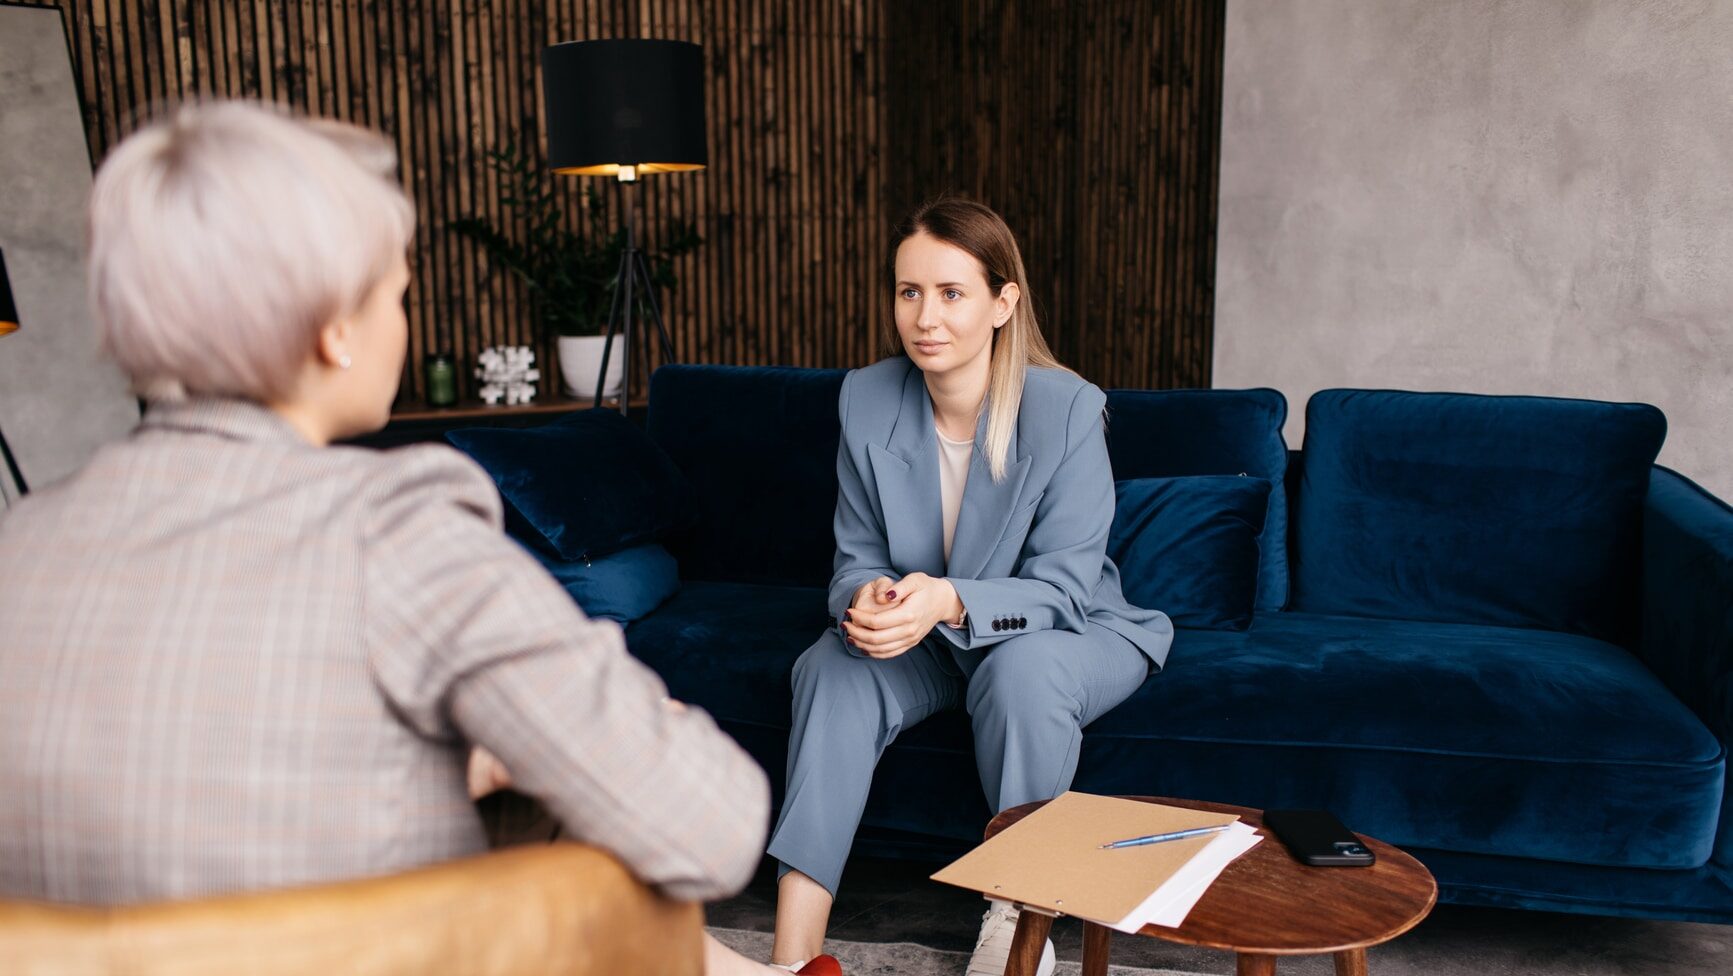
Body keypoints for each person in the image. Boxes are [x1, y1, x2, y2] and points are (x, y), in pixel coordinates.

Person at [0, 101, 793, 976]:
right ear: (335, 329)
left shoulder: (20, 543)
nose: (400, 320)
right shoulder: (400, 531)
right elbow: (714, 832)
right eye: (397, 290)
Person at [764, 198, 1174, 976]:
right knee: (831, 664)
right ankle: (793, 951)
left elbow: (1060, 586)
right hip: (928, 637)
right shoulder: (865, 397)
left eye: (951, 292)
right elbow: (853, 556)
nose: (925, 316)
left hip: (1071, 631)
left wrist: (946, 599)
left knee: (1020, 670)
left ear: (1002, 302)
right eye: (907, 291)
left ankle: (1017, 923)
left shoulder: (1066, 409)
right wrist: (865, 600)